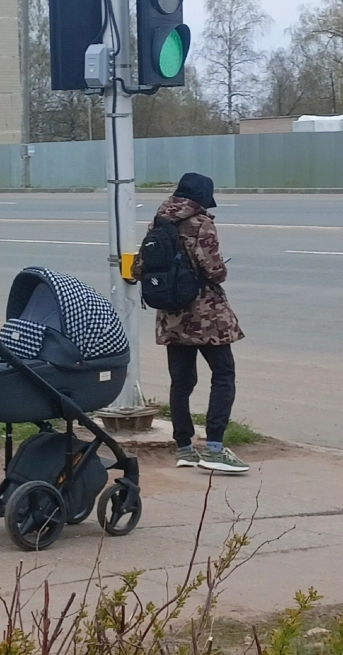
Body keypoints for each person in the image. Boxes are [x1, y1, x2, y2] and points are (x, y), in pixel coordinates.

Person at [133, 172, 248, 474]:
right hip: (204, 314)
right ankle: (213, 449)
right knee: (223, 374)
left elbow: (139, 267)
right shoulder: (201, 223)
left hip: (171, 315)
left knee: (181, 382)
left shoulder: (158, 222)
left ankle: (183, 447)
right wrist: (220, 270)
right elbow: (213, 270)